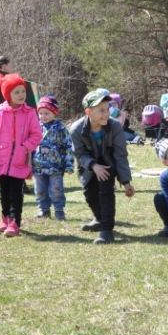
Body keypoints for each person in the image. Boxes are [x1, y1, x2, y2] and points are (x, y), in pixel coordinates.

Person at [70, 90, 135, 244]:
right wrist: (93, 165)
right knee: (90, 194)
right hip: (88, 166)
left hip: (108, 163)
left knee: (106, 193)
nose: (106, 114)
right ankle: (99, 219)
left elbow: (120, 155)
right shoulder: (76, 129)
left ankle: (106, 231)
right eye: (101, 110)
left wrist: (125, 181)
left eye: (107, 109)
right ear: (88, 112)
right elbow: (79, 154)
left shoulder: (115, 127)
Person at [0, 74, 43, 238]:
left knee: (16, 193)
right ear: (8, 94)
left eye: (23, 91)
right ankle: (5, 218)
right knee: (4, 193)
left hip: (19, 162)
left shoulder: (30, 113)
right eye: (17, 92)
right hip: (1, 162)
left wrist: (25, 147)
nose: (21, 95)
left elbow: (37, 134)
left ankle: (15, 222)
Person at [32, 95, 74, 221]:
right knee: (40, 190)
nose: (43, 116)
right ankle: (43, 210)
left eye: (47, 113)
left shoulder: (60, 128)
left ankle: (59, 210)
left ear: (54, 113)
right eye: (41, 113)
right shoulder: (35, 126)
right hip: (38, 166)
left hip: (55, 166)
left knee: (56, 190)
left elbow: (67, 146)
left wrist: (69, 164)